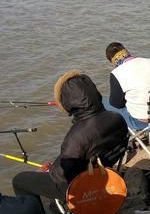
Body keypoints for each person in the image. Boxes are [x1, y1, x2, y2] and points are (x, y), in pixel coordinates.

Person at [12, 71, 128, 210]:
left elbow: (62, 178)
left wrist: (51, 169)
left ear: (68, 102)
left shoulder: (77, 136)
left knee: (19, 180)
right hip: (104, 171)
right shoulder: (116, 118)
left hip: (79, 185)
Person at [104, 42, 150, 130]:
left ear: (112, 60)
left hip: (140, 122)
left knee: (104, 102)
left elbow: (117, 104)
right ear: (126, 51)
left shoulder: (116, 73)